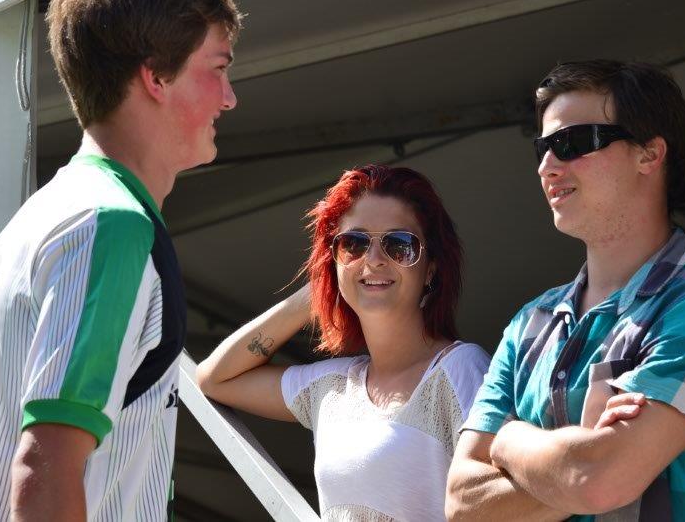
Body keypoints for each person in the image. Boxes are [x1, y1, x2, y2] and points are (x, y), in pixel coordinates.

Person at [0, 0, 241, 521]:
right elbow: (43, 467)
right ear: (156, 77)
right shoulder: (110, 225)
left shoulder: (45, 214)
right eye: (217, 68)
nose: (229, 96)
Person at [446, 60, 685, 521]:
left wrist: (510, 440)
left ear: (649, 154)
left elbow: (600, 482)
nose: (547, 166)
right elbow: (461, 504)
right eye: (542, 148)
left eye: (572, 142)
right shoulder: (528, 323)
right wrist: (578, 459)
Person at [197, 164, 490, 521]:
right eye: (354, 244)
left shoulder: (459, 369)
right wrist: (319, 289)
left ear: (430, 268)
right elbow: (215, 378)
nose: (374, 259)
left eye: (399, 245)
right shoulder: (331, 387)